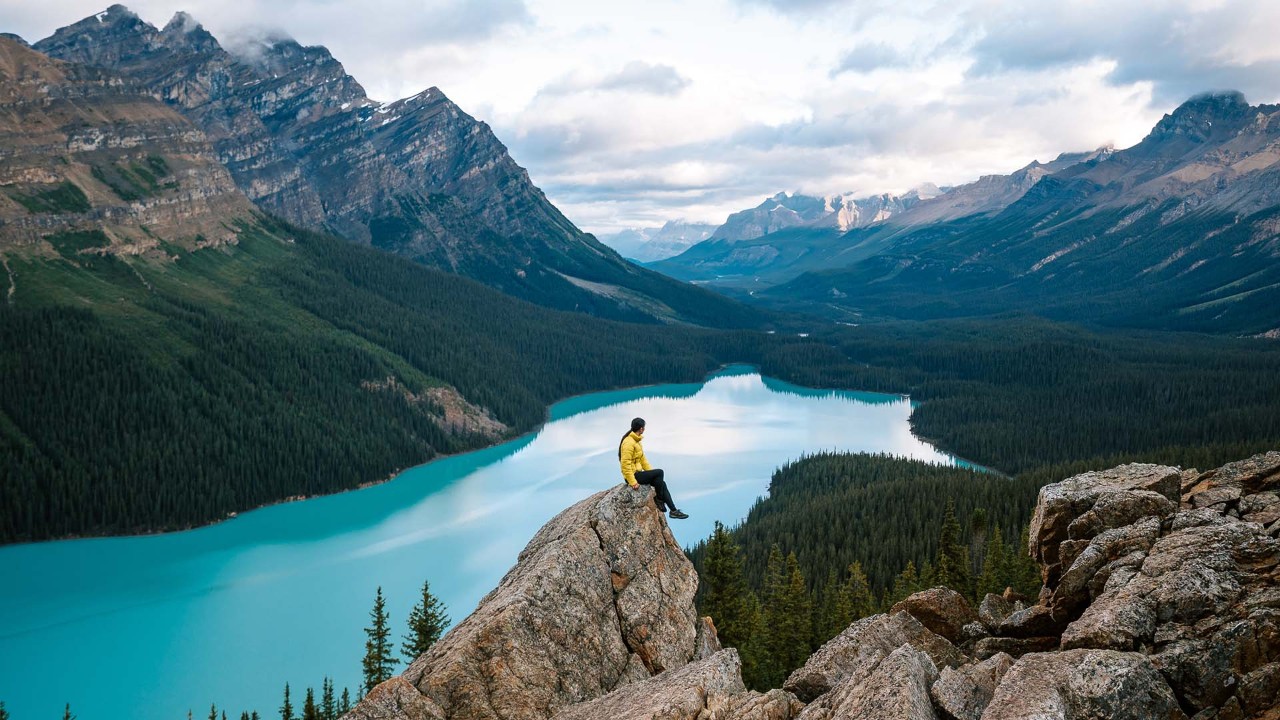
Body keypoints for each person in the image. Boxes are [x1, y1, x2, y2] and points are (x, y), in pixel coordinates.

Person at [618, 417, 688, 519]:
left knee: (661, 482)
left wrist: (651, 474)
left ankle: (673, 510)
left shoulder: (636, 441)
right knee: (660, 472)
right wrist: (633, 482)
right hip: (633, 476)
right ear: (641, 429)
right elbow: (625, 464)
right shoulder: (629, 442)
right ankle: (659, 500)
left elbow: (643, 460)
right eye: (644, 428)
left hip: (638, 474)